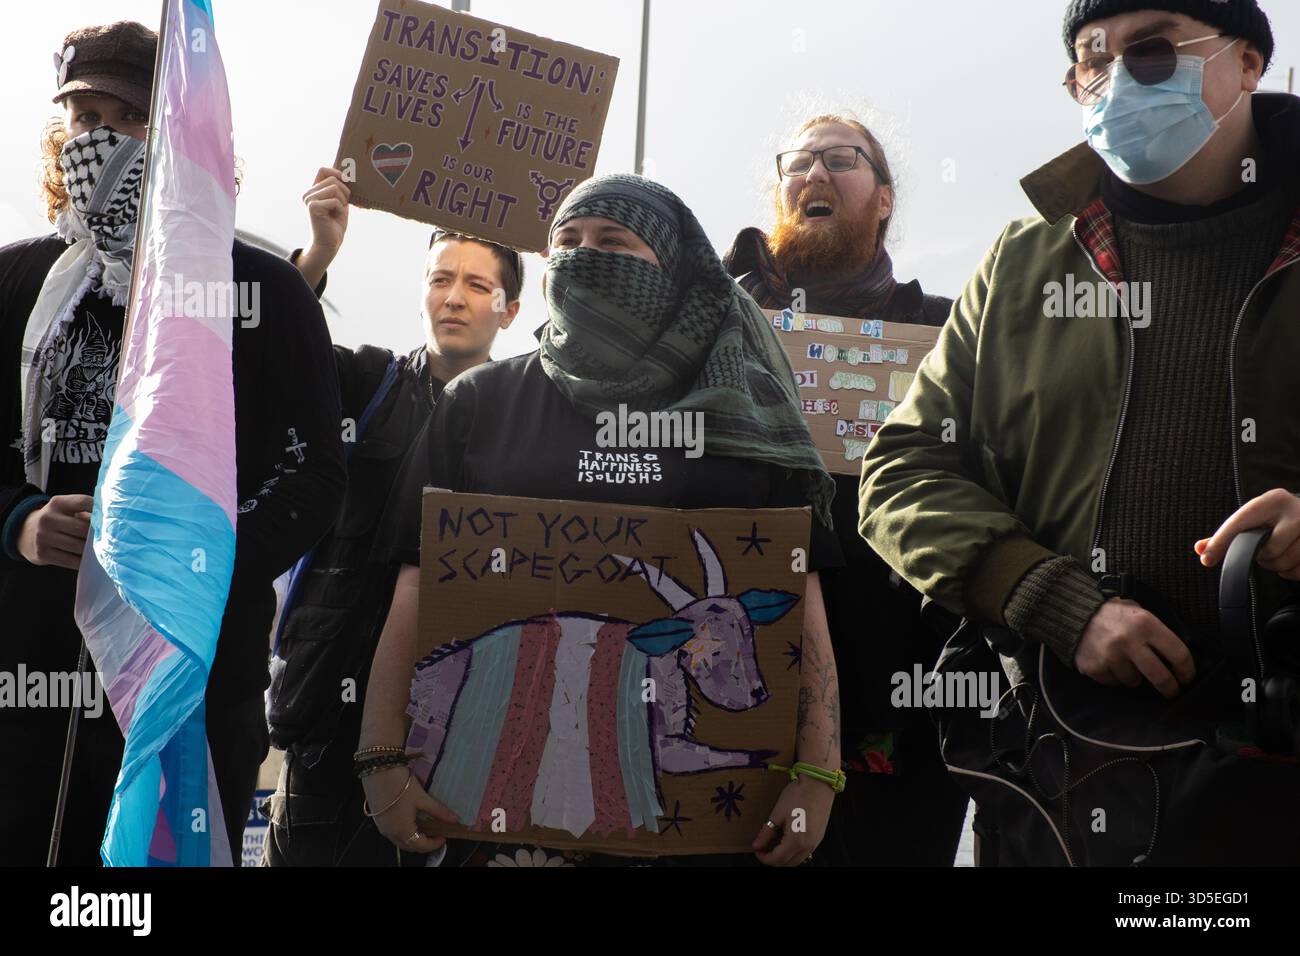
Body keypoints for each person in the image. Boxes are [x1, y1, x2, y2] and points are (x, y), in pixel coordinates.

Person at [859, 0, 1300, 866]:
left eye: (1151, 51)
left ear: (1249, 63)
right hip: (1066, 769)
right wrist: (1051, 600)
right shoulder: (1023, 262)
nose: (1112, 77)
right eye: (1090, 62)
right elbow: (902, 470)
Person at [360, 173, 845, 867]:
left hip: (704, 839)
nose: (585, 255)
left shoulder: (746, 415)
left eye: (614, 242)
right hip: (493, 808)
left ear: (674, 269)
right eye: (568, 241)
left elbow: (803, 601)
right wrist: (380, 757)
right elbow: (416, 580)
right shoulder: (479, 403)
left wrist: (819, 772)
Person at [0, 21, 345, 865]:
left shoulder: (263, 290)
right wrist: (19, 522)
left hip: (189, 664)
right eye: (84, 116)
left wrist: (195, 556)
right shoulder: (10, 282)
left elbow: (312, 475)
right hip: (28, 670)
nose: (100, 136)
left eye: (130, 115)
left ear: (181, 131)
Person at [723, 113, 968, 866]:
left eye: (840, 159)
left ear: (885, 197)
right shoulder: (716, 329)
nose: (815, 176)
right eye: (797, 163)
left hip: (903, 711)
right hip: (731, 692)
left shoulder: (949, 331)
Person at [263, 167, 522, 866]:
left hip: (466, 730)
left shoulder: (529, 420)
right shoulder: (366, 383)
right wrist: (316, 256)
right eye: (441, 279)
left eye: (476, 284)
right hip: (328, 724)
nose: (455, 298)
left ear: (511, 309)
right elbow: (272, 360)